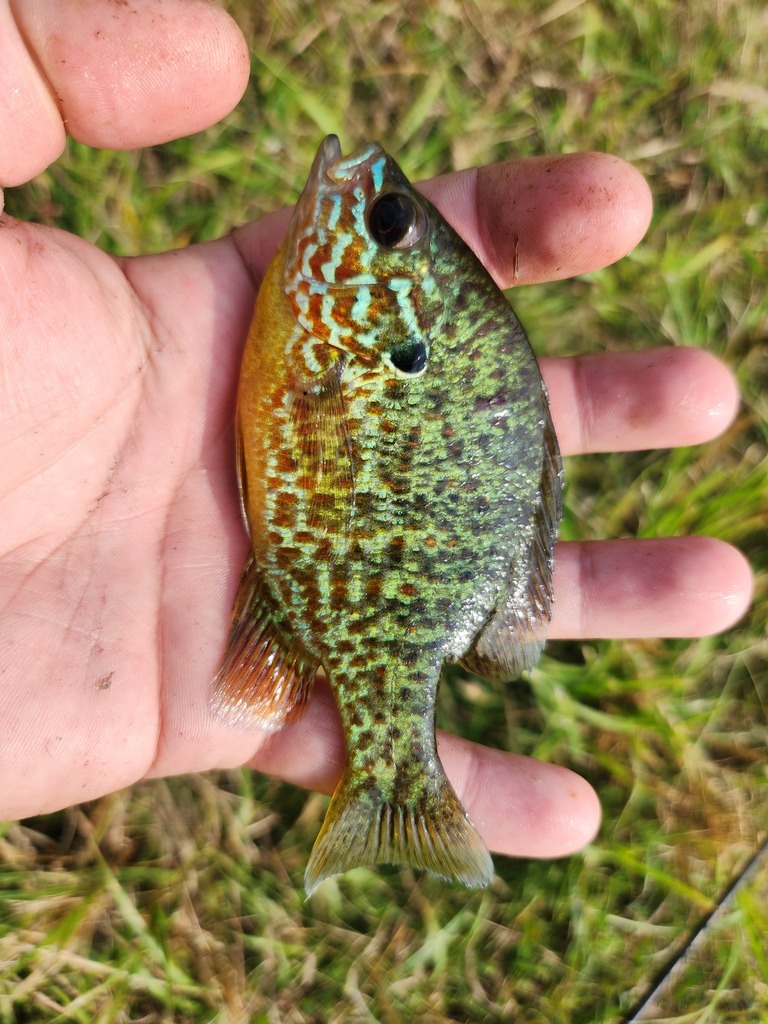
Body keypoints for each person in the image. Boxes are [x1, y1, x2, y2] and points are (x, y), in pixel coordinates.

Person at [0, 0, 752, 861]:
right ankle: (397, 796)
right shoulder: (332, 334)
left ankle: (394, 785)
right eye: (392, 222)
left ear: (397, 331)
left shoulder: (330, 335)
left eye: (384, 224)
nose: (358, 188)